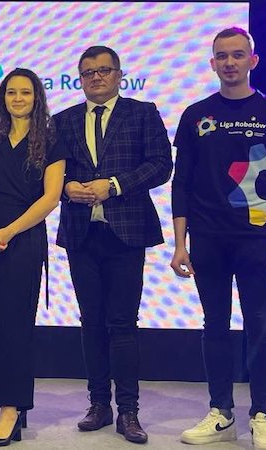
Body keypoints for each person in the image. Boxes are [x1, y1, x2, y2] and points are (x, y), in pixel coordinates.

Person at [172, 27, 266, 450]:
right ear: (212, 63)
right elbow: (182, 184)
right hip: (208, 239)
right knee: (215, 325)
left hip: (259, 239)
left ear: (252, 61)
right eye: (222, 56)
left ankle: (261, 415)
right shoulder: (196, 115)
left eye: (238, 55)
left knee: (260, 325)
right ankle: (221, 412)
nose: (230, 62)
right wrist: (180, 244)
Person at [55, 46, 172, 444]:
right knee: (91, 322)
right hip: (81, 234)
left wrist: (115, 185)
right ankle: (98, 405)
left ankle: (128, 410)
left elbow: (161, 164)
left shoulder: (142, 113)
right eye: (88, 72)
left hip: (127, 232)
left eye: (104, 70)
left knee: (122, 323)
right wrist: (66, 187)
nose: (97, 77)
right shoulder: (63, 120)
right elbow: (51, 171)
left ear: (119, 75)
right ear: (80, 78)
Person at [0, 68, 66, 447]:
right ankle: (11, 403)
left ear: (36, 97)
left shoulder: (51, 144)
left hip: (23, 239)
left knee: (14, 325)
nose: (18, 99)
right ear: (3, 99)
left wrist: (9, 231)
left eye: (25, 92)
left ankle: (10, 409)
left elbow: (51, 198)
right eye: (11, 92)